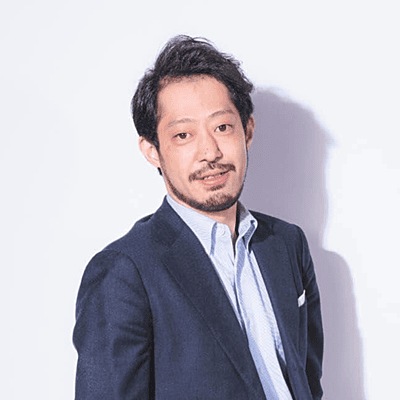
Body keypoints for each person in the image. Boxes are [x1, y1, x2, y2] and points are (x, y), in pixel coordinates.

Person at [73, 35, 323, 400]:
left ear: (247, 130)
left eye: (222, 127)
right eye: (183, 135)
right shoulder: (124, 272)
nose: (210, 152)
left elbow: (307, 381)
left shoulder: (287, 244)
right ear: (152, 151)